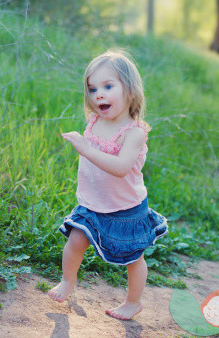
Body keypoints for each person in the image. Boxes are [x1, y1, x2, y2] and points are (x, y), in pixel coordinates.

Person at [48, 49, 168, 321]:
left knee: (133, 258)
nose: (98, 94)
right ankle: (67, 281)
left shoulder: (134, 133)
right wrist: (84, 144)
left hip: (125, 209)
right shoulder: (95, 121)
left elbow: (120, 168)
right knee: (76, 240)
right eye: (92, 89)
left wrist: (85, 149)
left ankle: (133, 301)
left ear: (130, 90)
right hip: (92, 203)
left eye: (108, 86)